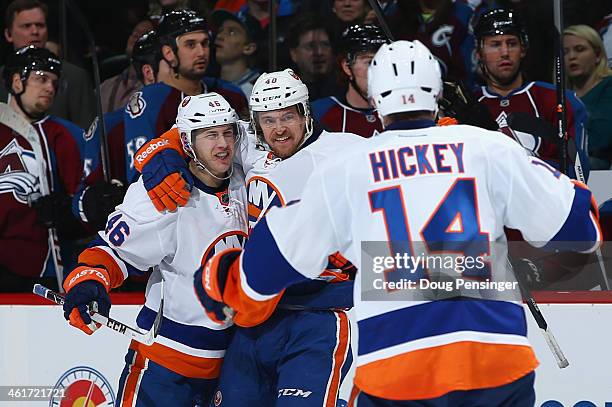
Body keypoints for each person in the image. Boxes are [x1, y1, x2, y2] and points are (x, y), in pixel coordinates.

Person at [196, 40, 602, 406]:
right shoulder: (486, 147)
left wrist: (221, 284)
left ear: (374, 100)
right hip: (495, 355)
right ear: (439, 94)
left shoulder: (349, 166)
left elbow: (272, 260)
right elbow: (579, 229)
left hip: (399, 363)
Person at [133, 69, 354, 406]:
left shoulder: (347, 152)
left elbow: (405, 182)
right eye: (267, 120)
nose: (278, 128)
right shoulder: (253, 151)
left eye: (287, 117)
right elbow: (199, 131)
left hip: (317, 316)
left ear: (306, 114)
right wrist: (163, 152)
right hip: (253, 321)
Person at [60, 92, 248, 406]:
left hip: (231, 368)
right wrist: (89, 281)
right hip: (165, 366)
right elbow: (113, 249)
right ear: (187, 142)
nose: (223, 144)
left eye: (228, 133)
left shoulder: (249, 182)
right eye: (210, 135)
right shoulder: (165, 193)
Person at [123, 9, 249, 184]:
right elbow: (141, 170)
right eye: (191, 45)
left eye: (204, 43)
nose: (201, 52)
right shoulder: (150, 100)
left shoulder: (231, 93)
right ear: (169, 53)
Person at [0, 46, 84, 292]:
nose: (50, 87)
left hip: (44, 270)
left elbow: (85, 204)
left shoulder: (66, 135)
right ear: (17, 81)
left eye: (54, 82)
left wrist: (68, 213)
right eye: (41, 78)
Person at [472, 8, 590, 180]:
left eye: (511, 43)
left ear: (523, 49)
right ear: (479, 54)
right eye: (495, 44)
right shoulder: (467, 105)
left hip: (544, 204)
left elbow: (577, 174)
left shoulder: (559, 99)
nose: (504, 52)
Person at [73, 30, 166, 231]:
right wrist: (92, 202)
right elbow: (81, 199)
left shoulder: (224, 101)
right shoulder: (110, 127)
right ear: (149, 73)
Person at [1, 0, 96, 129]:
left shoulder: (75, 77)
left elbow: (88, 134)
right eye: (26, 26)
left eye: (40, 25)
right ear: (8, 34)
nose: (35, 31)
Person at [312, 24, 388, 136]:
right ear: (347, 67)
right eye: (370, 62)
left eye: (384, 61)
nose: (379, 70)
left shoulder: (403, 111)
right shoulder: (319, 113)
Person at [564, 24, 612, 170]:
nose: (572, 57)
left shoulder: (609, 87)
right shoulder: (558, 95)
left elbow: (601, 138)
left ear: (597, 55)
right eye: (565, 52)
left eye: (580, 49)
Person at [100, 19, 155, 113]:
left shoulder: (159, 88)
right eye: (134, 33)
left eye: (144, 34)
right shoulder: (105, 87)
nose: (135, 36)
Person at [287, 14, 342, 101]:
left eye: (325, 45)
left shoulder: (345, 92)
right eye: (311, 46)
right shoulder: (286, 92)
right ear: (294, 54)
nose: (319, 52)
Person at [212, 9, 263, 97]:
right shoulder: (206, 85)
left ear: (249, 48)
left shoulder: (261, 88)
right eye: (220, 30)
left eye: (232, 32)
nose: (219, 36)